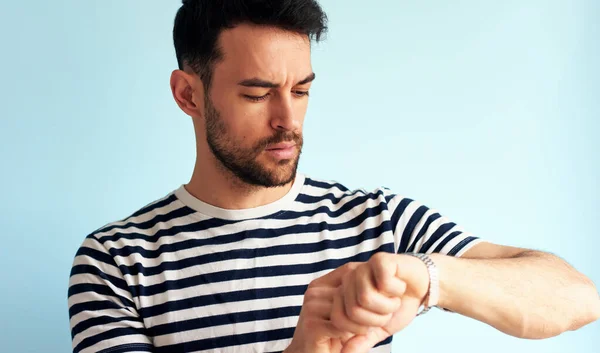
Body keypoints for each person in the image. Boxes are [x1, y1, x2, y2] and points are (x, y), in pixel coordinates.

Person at [67, 1, 600, 352]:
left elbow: (576, 298)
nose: (288, 120)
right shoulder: (115, 261)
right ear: (189, 95)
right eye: (256, 94)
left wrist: (426, 276)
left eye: (301, 91)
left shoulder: (379, 222)